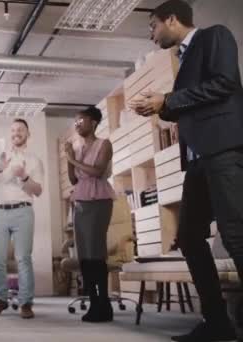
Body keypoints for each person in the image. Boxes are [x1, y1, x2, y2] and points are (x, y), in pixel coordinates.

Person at [130, 0, 243, 340]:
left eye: (153, 26)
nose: (151, 35)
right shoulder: (182, 59)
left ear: (172, 19)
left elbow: (225, 84)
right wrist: (159, 107)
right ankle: (217, 323)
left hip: (223, 150)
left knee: (236, 235)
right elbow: (188, 106)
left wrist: (169, 100)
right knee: (190, 237)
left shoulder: (214, 36)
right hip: (197, 161)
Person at [0, 118, 43, 319]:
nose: (17, 133)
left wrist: (24, 176)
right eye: (14, 130)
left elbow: (38, 190)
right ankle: (0, 300)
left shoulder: (34, 160)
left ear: (27, 134)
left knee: (23, 258)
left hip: (23, 211)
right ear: (10, 133)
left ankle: (26, 303)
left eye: (21, 130)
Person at [64, 106, 115, 323]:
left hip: (99, 200)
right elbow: (74, 180)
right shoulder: (77, 148)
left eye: (81, 120)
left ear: (93, 122)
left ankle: (104, 304)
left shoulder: (104, 144)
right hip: (81, 202)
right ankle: (95, 302)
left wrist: (73, 159)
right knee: (85, 255)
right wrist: (70, 157)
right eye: (75, 121)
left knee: (96, 252)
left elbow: (98, 171)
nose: (77, 124)